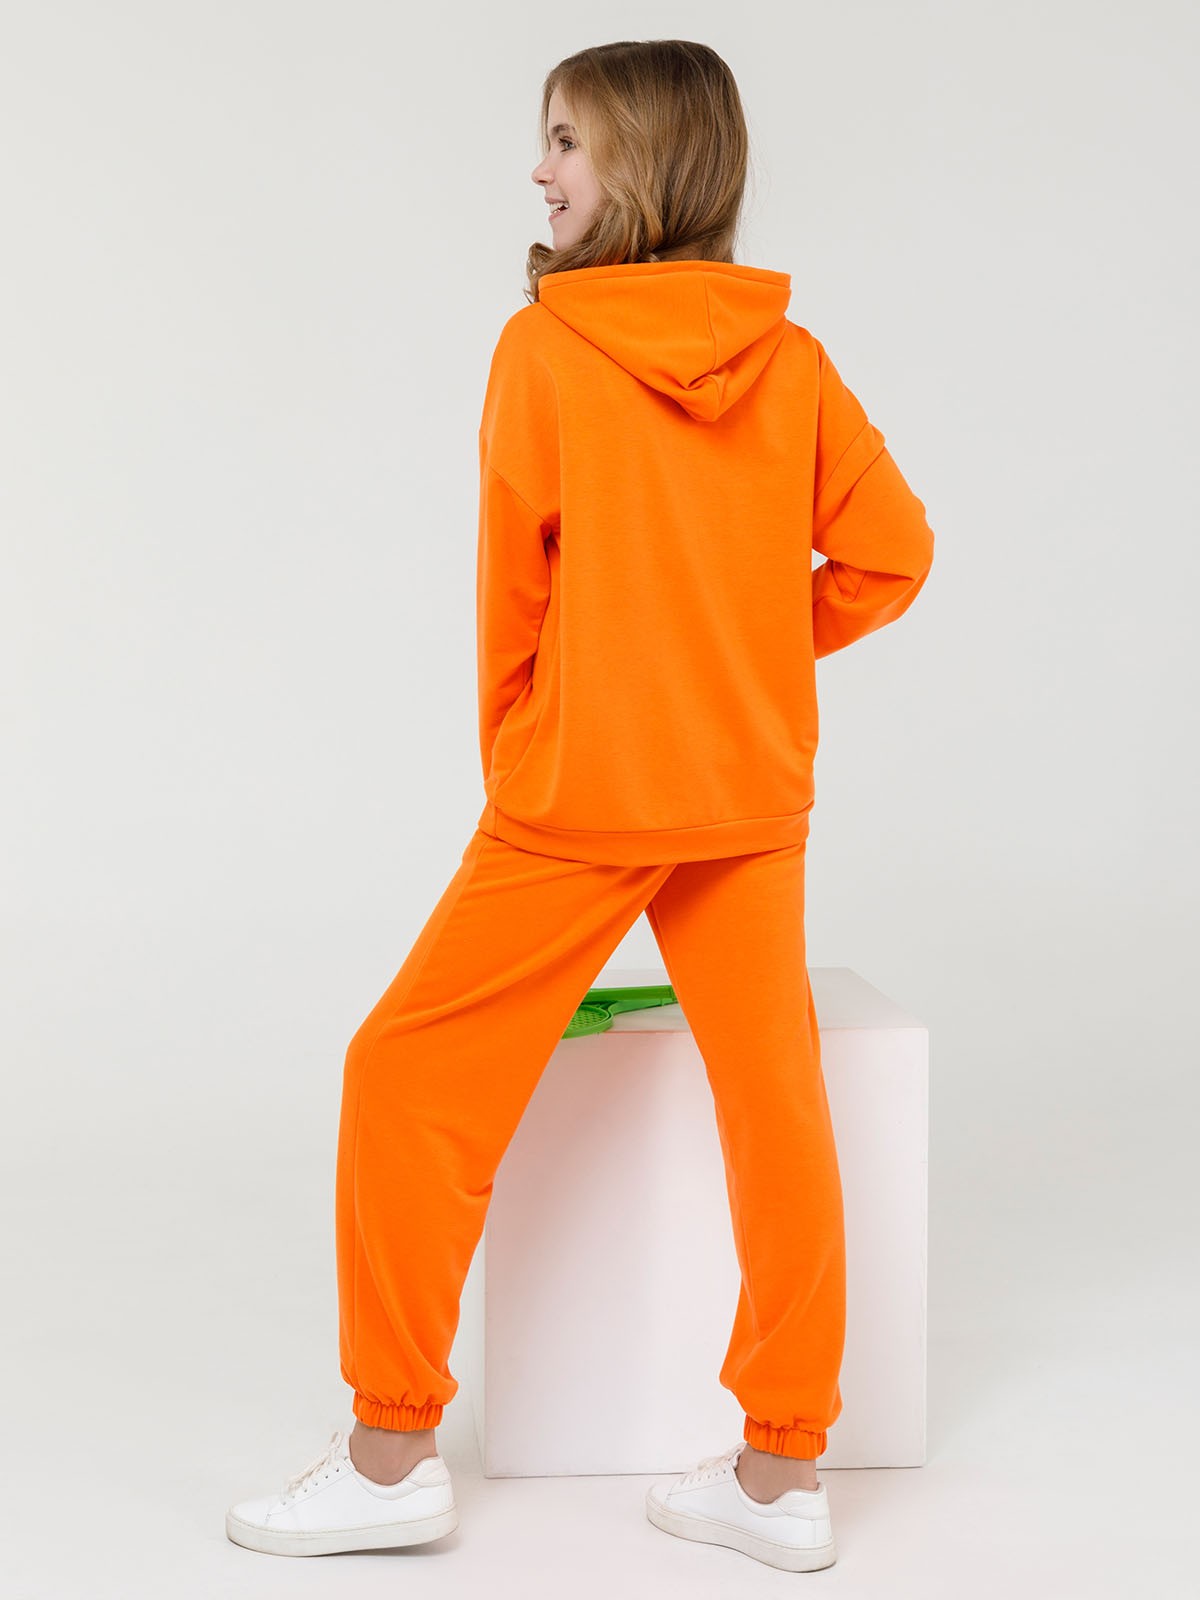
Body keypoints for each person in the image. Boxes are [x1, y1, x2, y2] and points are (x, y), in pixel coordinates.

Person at [226, 37, 935, 1574]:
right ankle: (782, 1474)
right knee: (775, 1108)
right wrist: (741, 656)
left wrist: (529, 748)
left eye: (566, 140)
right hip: (746, 792)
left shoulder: (544, 349)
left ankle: (390, 1450)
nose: (539, 170)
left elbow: (514, 599)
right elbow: (894, 554)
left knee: (404, 1077)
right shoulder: (792, 360)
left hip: (584, 792)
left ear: (646, 164)